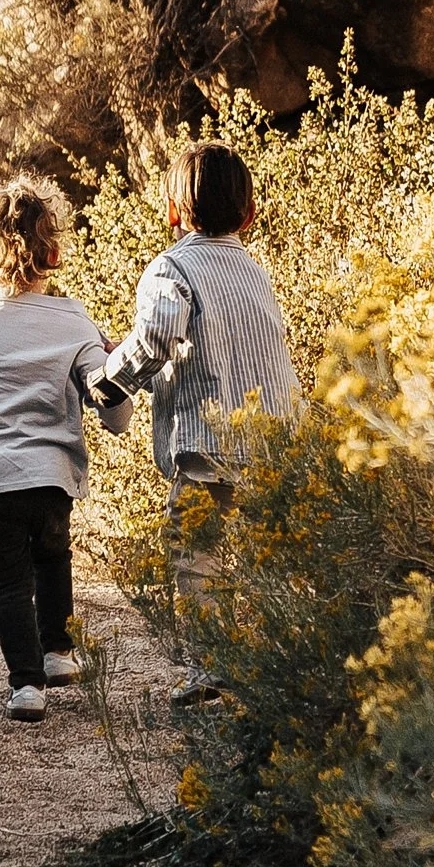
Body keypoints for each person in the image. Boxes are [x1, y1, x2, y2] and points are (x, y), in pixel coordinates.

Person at [91, 140, 298, 704]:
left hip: (207, 445)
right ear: (249, 215)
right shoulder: (255, 272)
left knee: (196, 555)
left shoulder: (172, 267)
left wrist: (112, 378)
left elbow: (157, 337)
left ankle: (210, 668)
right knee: (264, 553)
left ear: (174, 213)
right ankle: (278, 655)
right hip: (272, 441)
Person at [0, 177, 133, 724]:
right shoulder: (75, 320)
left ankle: (25, 686)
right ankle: (58, 653)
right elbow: (109, 405)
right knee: (54, 559)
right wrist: (117, 374)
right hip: (51, 475)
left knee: (8, 581)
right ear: (53, 251)